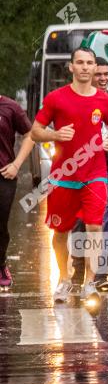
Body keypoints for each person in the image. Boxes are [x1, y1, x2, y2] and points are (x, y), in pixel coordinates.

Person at [30, 47, 108, 306]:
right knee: (61, 231)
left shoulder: (105, 101)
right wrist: (55, 135)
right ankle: (63, 277)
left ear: (94, 67)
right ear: (70, 67)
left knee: (94, 226)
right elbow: (35, 131)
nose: (84, 67)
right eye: (79, 62)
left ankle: (90, 281)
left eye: (89, 63)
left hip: (95, 174)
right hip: (63, 176)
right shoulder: (56, 98)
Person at [72, 56, 108, 292]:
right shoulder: (74, 97)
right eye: (98, 74)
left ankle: (100, 274)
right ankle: (77, 271)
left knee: (103, 220)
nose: (103, 78)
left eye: (106, 74)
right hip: (78, 167)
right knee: (79, 220)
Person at [0, 94, 35, 291]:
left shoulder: (10, 107)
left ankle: (0, 265)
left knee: (0, 224)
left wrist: (16, 164)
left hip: (3, 175)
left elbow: (31, 134)